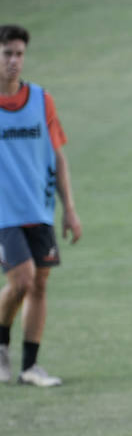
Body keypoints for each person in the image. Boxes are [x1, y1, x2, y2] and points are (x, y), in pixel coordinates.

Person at [0, 23, 81, 388]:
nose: (14, 61)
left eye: (19, 54)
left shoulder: (41, 100)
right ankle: (1, 348)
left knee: (40, 286)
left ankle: (30, 367)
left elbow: (58, 156)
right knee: (22, 279)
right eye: (7, 54)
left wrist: (70, 209)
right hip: (3, 213)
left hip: (38, 208)